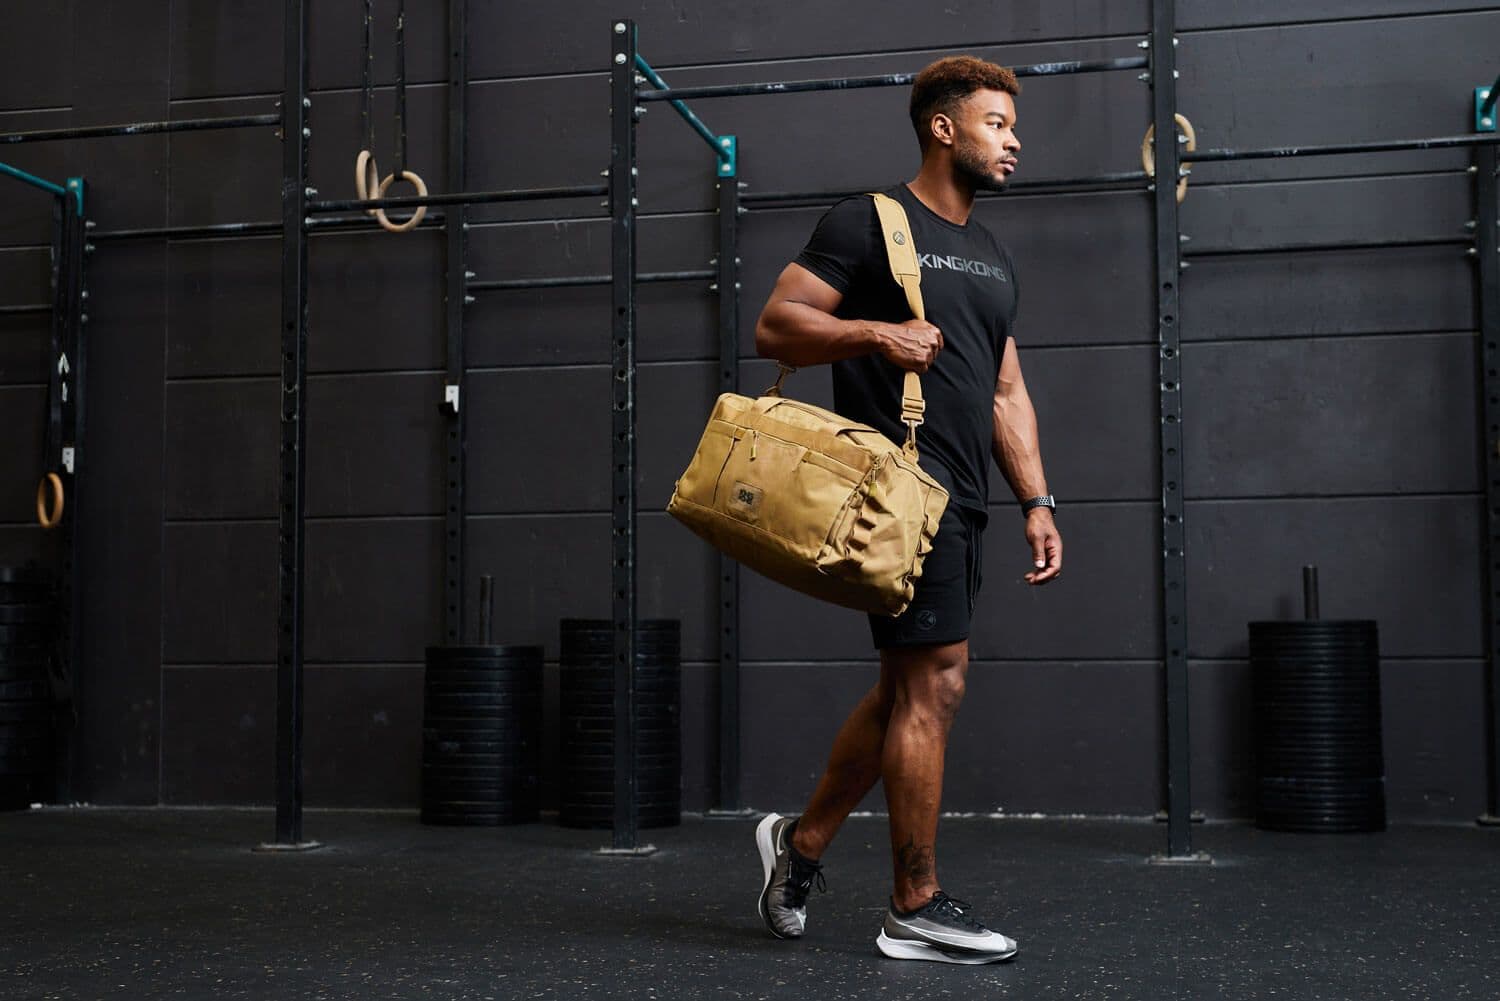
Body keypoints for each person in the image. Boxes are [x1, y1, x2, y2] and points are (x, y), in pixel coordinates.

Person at [751, 55, 1062, 965]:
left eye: (1012, 125)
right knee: (938, 682)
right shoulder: (869, 222)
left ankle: (798, 847)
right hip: (900, 497)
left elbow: (1007, 390)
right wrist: (873, 331)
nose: (1013, 139)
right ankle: (913, 904)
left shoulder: (993, 258)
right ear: (944, 127)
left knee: (903, 691)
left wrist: (1036, 498)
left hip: (967, 502)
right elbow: (777, 324)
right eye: (997, 123)